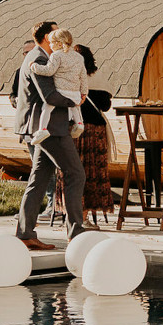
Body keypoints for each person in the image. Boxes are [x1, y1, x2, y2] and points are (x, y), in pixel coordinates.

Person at [13, 22, 86, 250]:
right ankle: (76, 232)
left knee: (39, 179)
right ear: (47, 37)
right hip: (49, 128)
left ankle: (25, 234)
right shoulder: (40, 59)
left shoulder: (43, 56)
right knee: (76, 173)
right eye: (55, 31)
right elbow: (49, 95)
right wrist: (75, 101)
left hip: (41, 127)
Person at [51, 45, 112, 222]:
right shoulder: (98, 78)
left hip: (72, 130)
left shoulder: (66, 78)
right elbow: (106, 106)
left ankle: (73, 215)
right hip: (94, 132)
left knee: (70, 172)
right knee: (92, 174)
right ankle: (83, 217)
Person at [26, 28, 88, 145]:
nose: (50, 45)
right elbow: (83, 77)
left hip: (61, 91)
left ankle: (43, 129)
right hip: (75, 92)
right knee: (75, 106)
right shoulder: (79, 57)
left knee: (47, 107)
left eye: (51, 42)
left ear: (58, 43)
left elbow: (49, 71)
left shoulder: (56, 56)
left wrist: (34, 66)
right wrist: (83, 93)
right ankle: (79, 123)